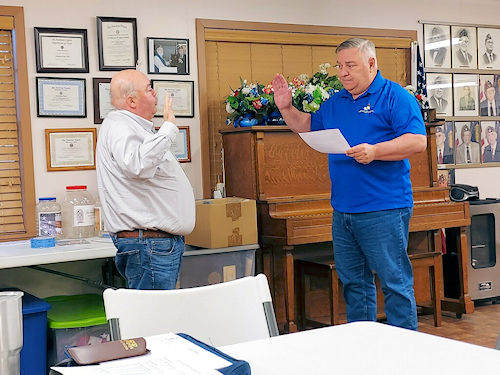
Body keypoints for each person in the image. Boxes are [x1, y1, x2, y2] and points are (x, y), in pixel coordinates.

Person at [272, 38, 427, 331]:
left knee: (395, 283)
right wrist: (286, 108)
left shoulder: (395, 96)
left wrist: (375, 151)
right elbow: (308, 126)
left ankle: (406, 353)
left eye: (350, 65)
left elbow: (417, 141)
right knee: (354, 284)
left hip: (384, 208)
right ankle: (363, 348)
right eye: (340, 65)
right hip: (343, 211)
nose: (343, 72)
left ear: (371, 64)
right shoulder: (337, 101)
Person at [96, 69, 195, 290]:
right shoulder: (120, 125)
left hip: (154, 245)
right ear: (132, 100)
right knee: (155, 320)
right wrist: (168, 127)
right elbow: (137, 164)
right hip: (150, 245)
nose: (155, 94)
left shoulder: (131, 127)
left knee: (158, 318)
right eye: (149, 88)